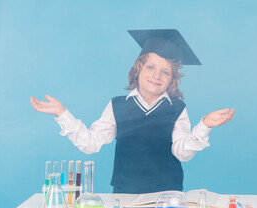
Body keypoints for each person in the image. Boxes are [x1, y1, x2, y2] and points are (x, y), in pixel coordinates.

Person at [30, 29, 235, 194]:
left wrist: (204, 126)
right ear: (138, 69)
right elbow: (90, 144)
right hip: (125, 194)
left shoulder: (177, 109)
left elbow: (181, 153)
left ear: (172, 79)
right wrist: (62, 113)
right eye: (151, 67)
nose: (157, 75)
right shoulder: (117, 105)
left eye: (165, 72)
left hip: (168, 195)